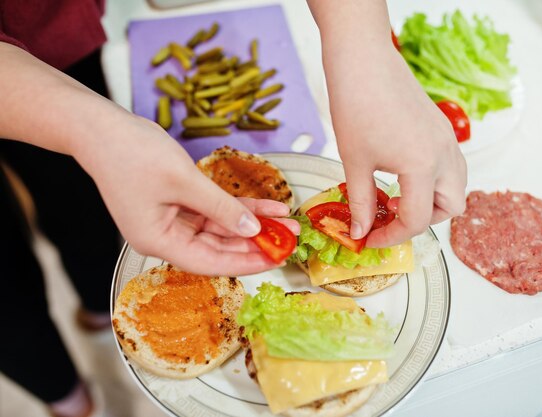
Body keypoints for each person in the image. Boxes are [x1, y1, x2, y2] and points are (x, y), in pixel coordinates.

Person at [0, 1, 467, 416]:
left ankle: (96, 309)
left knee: (81, 207)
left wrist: (365, 54)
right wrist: (97, 133)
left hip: (49, 33)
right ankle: (67, 399)